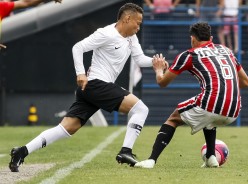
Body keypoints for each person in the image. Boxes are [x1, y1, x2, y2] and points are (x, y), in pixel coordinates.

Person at [9, 3, 155, 172]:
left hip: (93, 89)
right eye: (138, 22)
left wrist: (154, 62)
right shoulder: (106, 33)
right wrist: (80, 73)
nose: (139, 27)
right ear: (127, 18)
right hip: (95, 84)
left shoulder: (131, 38)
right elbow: (78, 47)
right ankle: (125, 151)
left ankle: (21, 151)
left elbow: (140, 59)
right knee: (140, 109)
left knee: (66, 129)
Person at [135, 22, 248, 169]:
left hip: (213, 103)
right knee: (208, 118)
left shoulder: (189, 55)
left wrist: (158, 69)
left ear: (193, 39)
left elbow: (162, 82)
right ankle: (211, 157)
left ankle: (151, 160)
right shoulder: (226, 50)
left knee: (173, 118)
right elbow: (246, 82)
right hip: (234, 110)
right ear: (211, 38)